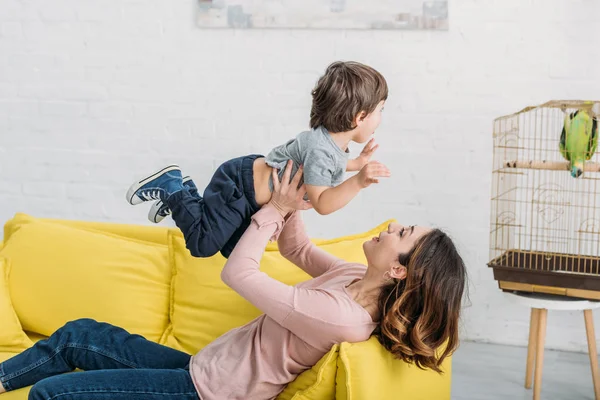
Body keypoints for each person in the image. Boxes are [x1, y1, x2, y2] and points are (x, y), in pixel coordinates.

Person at [0, 163, 467, 400]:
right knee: (78, 336)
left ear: (400, 270)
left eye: (401, 234)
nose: (390, 228)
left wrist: (275, 212)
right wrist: (296, 198)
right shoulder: (351, 278)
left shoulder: (342, 318)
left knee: (50, 396)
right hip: (200, 368)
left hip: (208, 394)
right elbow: (296, 250)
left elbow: (238, 273)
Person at [125, 60, 390, 259]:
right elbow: (322, 203)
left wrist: (357, 162)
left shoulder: (328, 145)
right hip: (240, 187)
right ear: (360, 117)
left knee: (234, 251)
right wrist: (358, 182)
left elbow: (328, 166)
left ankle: (185, 198)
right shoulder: (321, 148)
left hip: (249, 189)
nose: (381, 117)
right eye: (380, 110)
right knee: (202, 245)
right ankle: (173, 189)